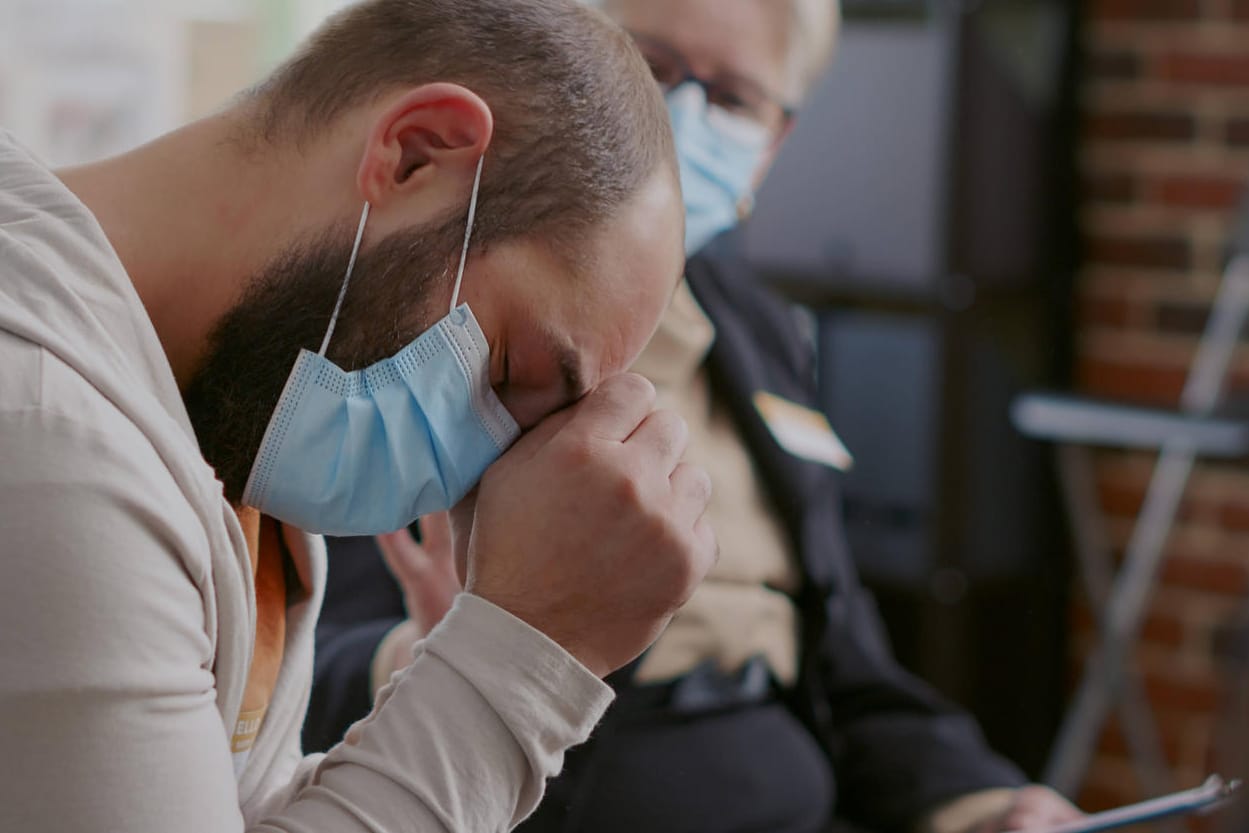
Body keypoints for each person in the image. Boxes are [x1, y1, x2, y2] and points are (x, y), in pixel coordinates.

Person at [306, 1, 1090, 832]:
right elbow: (290, 662)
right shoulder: (435, 314)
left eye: (732, 99)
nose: (679, 118)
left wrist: (986, 804)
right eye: (649, 66)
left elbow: (846, 666)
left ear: (772, 145)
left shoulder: (755, 329)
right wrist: (436, 658)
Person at [0, 1, 721, 830]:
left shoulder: (218, 430)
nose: (488, 463)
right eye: (511, 368)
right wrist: (522, 655)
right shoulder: (52, 430)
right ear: (418, 151)